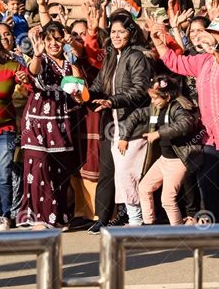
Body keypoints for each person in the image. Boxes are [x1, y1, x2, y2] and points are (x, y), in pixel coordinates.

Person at [151, 18, 219, 223]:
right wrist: (158, 41)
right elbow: (176, 62)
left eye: (216, 34)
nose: (209, 37)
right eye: (209, 32)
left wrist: (215, 46)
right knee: (208, 182)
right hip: (210, 136)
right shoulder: (201, 61)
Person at [88, 12, 151, 234]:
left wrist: (112, 101)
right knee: (107, 171)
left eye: (121, 32)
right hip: (110, 124)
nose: (116, 35)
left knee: (127, 173)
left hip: (131, 125)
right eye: (113, 32)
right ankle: (103, 218)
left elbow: (140, 90)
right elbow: (97, 87)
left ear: (130, 33)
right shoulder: (110, 57)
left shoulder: (137, 56)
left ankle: (136, 218)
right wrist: (83, 95)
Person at [19, 22, 85, 229]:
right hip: (37, 121)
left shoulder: (68, 62)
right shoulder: (41, 59)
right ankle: (37, 218)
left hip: (61, 121)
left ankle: (57, 217)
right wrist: (37, 55)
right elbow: (33, 71)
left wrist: (72, 58)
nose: (53, 43)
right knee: (38, 168)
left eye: (57, 39)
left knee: (59, 171)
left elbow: (80, 89)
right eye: (49, 39)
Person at [119, 75, 202, 225]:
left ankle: (178, 233)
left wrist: (158, 133)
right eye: (151, 98)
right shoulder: (155, 109)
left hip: (178, 161)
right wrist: (124, 137)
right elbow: (135, 115)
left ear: (167, 96)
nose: (152, 102)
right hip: (164, 160)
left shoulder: (179, 107)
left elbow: (185, 124)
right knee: (144, 188)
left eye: (155, 98)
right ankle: (149, 224)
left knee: (167, 200)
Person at [0, 27, 29, 231]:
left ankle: (5, 215)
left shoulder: (12, 67)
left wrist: (25, 80)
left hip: (3, 131)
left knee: (3, 175)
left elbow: (31, 87)